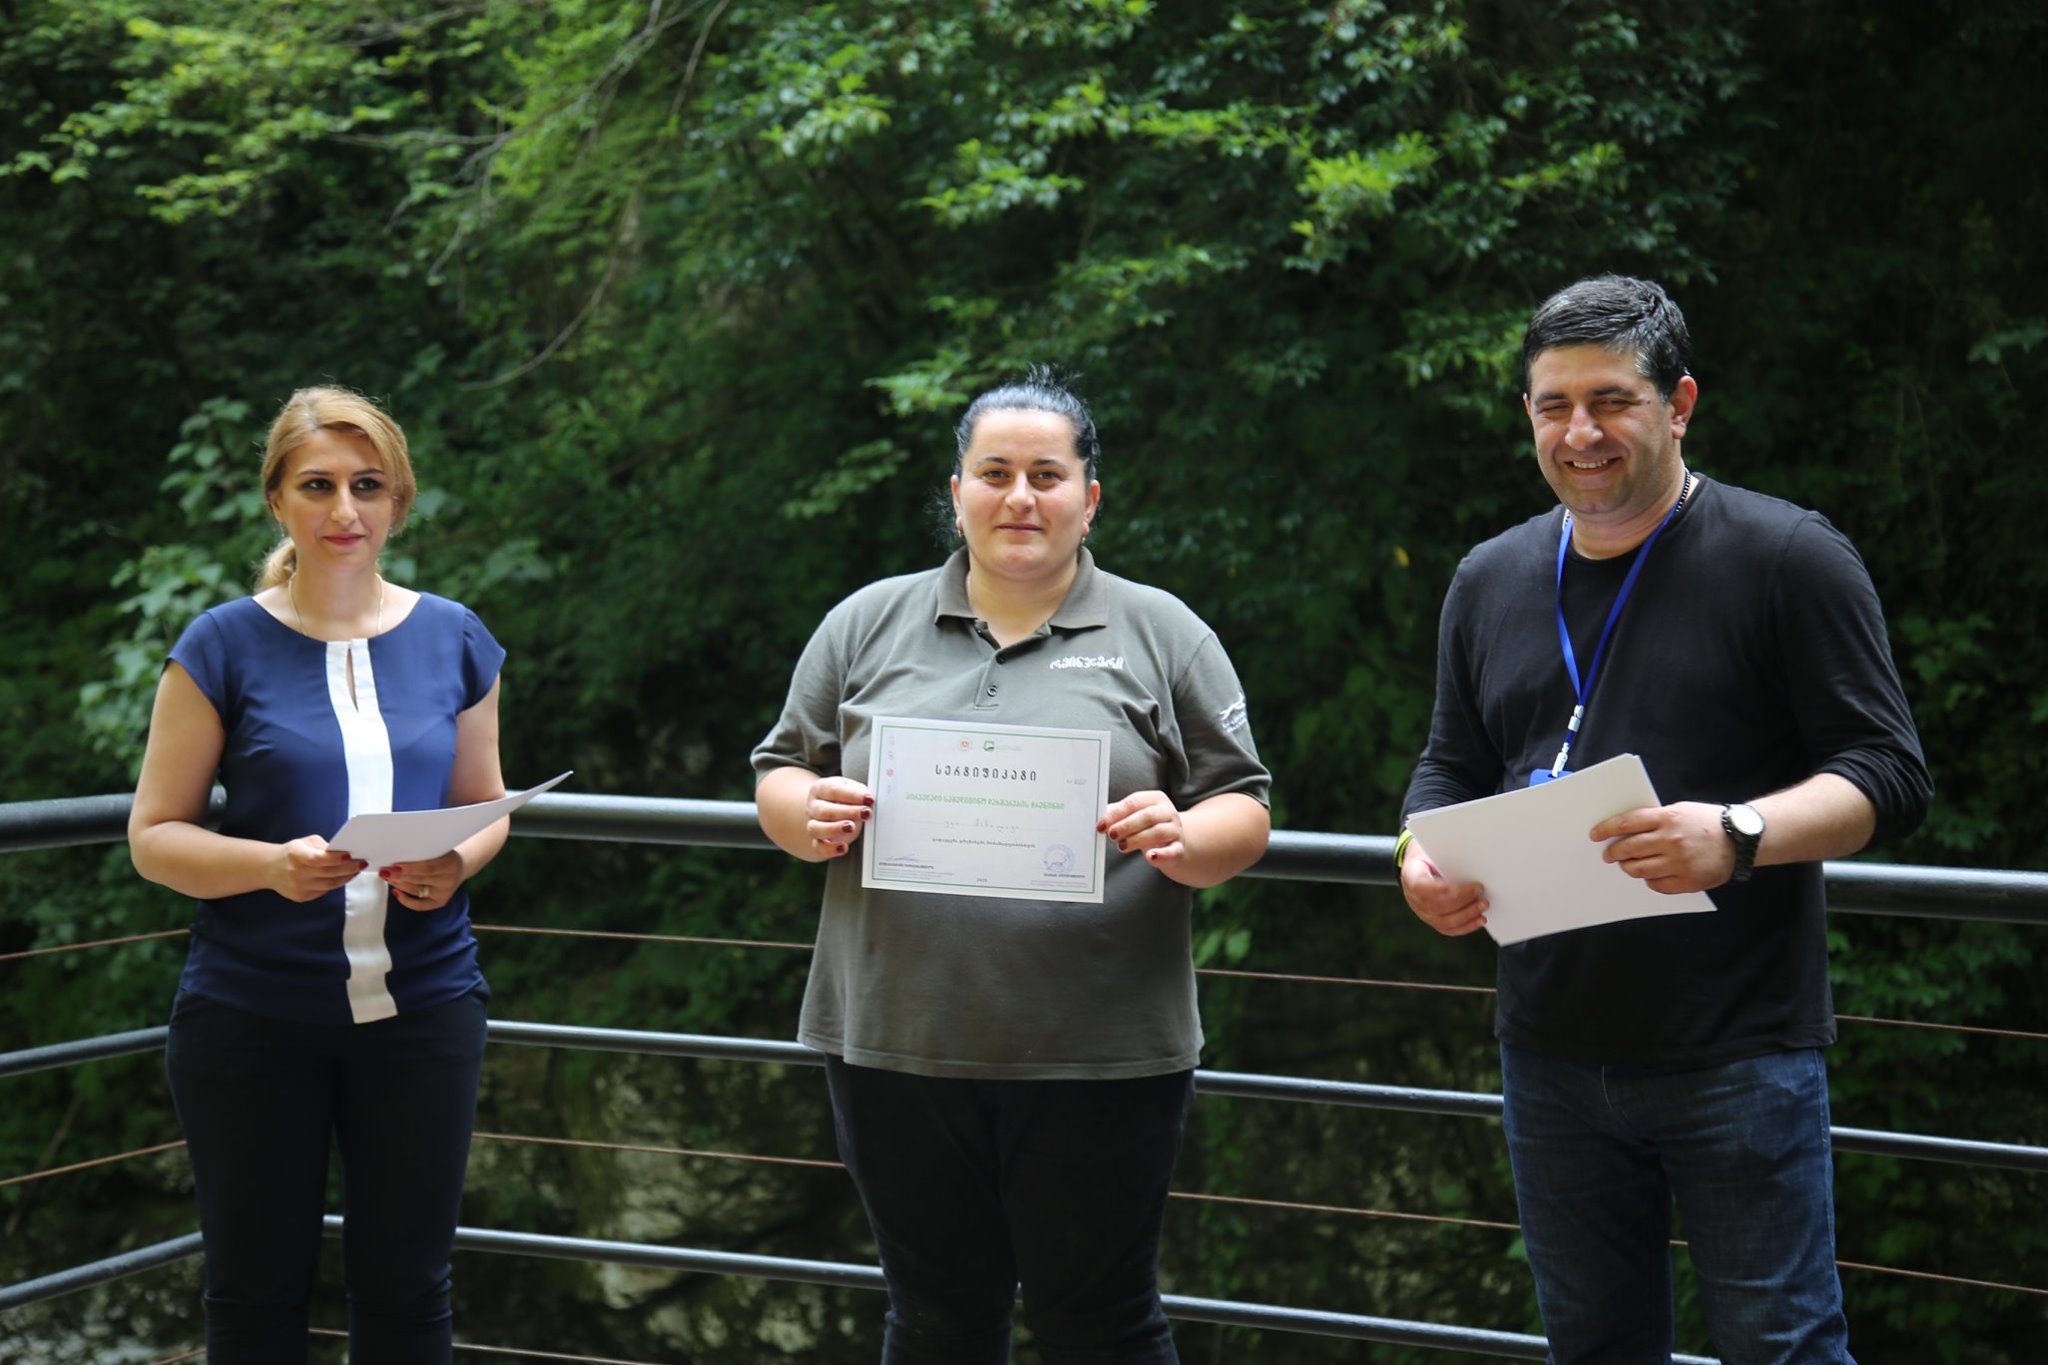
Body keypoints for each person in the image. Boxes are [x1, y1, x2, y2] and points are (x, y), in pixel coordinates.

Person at [1398, 275, 1930, 1365]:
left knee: (1782, 1346)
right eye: (1553, 406)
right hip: (1547, 1050)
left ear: (1679, 403)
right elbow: (1446, 765)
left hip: (1735, 1049)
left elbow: (1886, 771)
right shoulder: (1488, 577)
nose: (1579, 434)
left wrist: (1736, 834)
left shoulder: (1787, 557)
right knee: (1592, 1348)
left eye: (1612, 402)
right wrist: (1417, 852)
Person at [752, 368, 1272, 1364]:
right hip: (893, 1041)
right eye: (994, 474)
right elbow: (781, 770)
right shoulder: (865, 622)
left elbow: (1242, 806)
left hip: (1101, 1053)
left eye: (1046, 474)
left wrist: (1183, 834)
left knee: (1101, 1323)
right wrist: (802, 815)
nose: (1019, 497)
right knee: (935, 1321)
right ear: (957, 492)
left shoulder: (1163, 632)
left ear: (1090, 496)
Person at [129, 386, 509, 1363]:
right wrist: (270, 866)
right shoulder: (218, 645)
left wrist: (453, 861)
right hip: (251, 1019)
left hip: (425, 1012)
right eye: (318, 485)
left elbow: (488, 804)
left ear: (399, 501)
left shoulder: (457, 636)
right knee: (254, 1299)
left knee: (410, 1295)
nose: (345, 509)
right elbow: (154, 836)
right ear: (277, 501)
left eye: (368, 485)